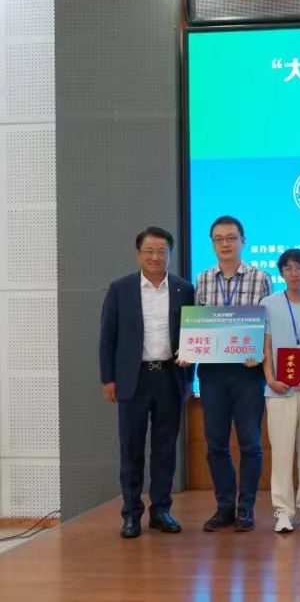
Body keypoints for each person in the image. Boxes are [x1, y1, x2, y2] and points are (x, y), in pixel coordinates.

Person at [98, 227, 194, 538]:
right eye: (149, 251)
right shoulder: (121, 289)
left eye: (161, 251)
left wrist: (189, 377)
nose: (155, 257)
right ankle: (131, 514)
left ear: (170, 254)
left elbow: (193, 336)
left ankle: (161, 510)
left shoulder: (184, 289)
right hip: (133, 378)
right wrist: (108, 378)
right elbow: (107, 337)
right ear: (138, 254)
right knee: (131, 448)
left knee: (165, 449)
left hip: (169, 377)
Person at [195, 215, 272, 532]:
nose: (225, 244)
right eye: (218, 239)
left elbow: (268, 325)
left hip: (247, 372)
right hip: (212, 372)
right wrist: (190, 351)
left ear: (243, 241)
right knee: (215, 442)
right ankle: (224, 506)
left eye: (231, 238)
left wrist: (261, 355)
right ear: (212, 243)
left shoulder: (260, 278)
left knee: (250, 442)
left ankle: (246, 508)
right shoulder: (202, 279)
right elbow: (197, 325)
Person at [261, 248, 300, 534]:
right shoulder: (269, 303)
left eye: (299, 267)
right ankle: (283, 511)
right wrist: (270, 378)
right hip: (279, 389)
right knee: (282, 450)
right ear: (281, 273)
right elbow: (266, 345)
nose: (294, 273)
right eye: (288, 268)